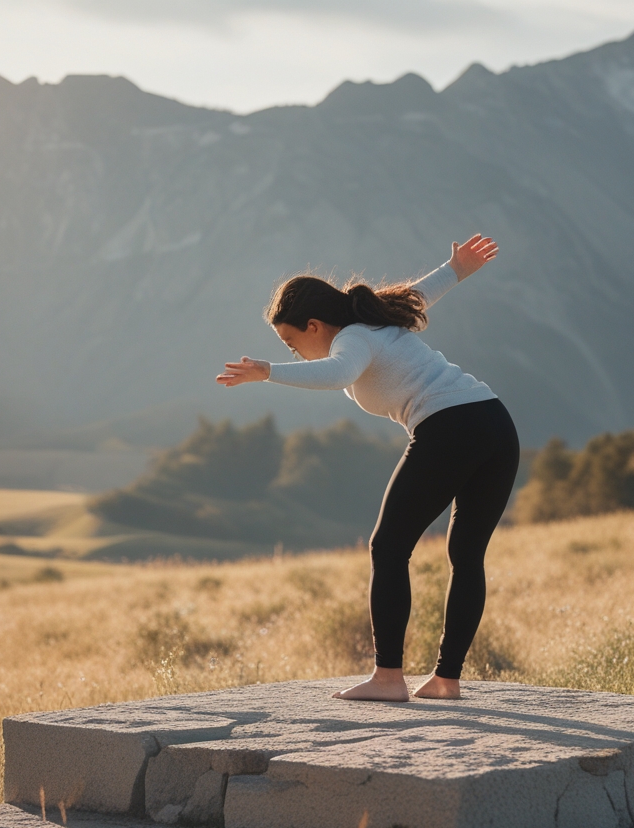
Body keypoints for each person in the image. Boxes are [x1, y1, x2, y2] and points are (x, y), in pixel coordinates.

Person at [216, 234, 519, 701]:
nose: (294, 352)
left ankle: (388, 677)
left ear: (314, 325)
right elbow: (422, 293)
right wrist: (456, 267)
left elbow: (337, 375)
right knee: (466, 555)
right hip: (495, 423)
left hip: (450, 427)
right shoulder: (376, 318)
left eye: (291, 342)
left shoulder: (353, 338)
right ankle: (445, 679)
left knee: (388, 548)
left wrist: (268, 370)